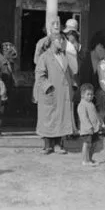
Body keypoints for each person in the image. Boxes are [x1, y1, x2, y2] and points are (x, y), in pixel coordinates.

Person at [34, 25, 78, 154]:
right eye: (59, 40)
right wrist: (48, 88)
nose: (62, 42)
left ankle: (59, 144)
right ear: (52, 42)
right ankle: (48, 145)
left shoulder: (63, 56)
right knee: (48, 118)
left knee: (61, 118)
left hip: (63, 93)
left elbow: (68, 72)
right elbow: (40, 76)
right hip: (51, 93)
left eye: (62, 40)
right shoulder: (45, 57)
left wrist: (73, 84)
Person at [77, 83, 104, 166]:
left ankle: (90, 159)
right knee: (86, 144)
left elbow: (95, 115)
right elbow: (83, 118)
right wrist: (89, 127)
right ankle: (85, 160)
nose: (90, 96)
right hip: (87, 130)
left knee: (93, 144)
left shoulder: (91, 104)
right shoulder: (82, 105)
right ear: (82, 95)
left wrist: (100, 122)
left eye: (91, 94)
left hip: (94, 129)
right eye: (88, 94)